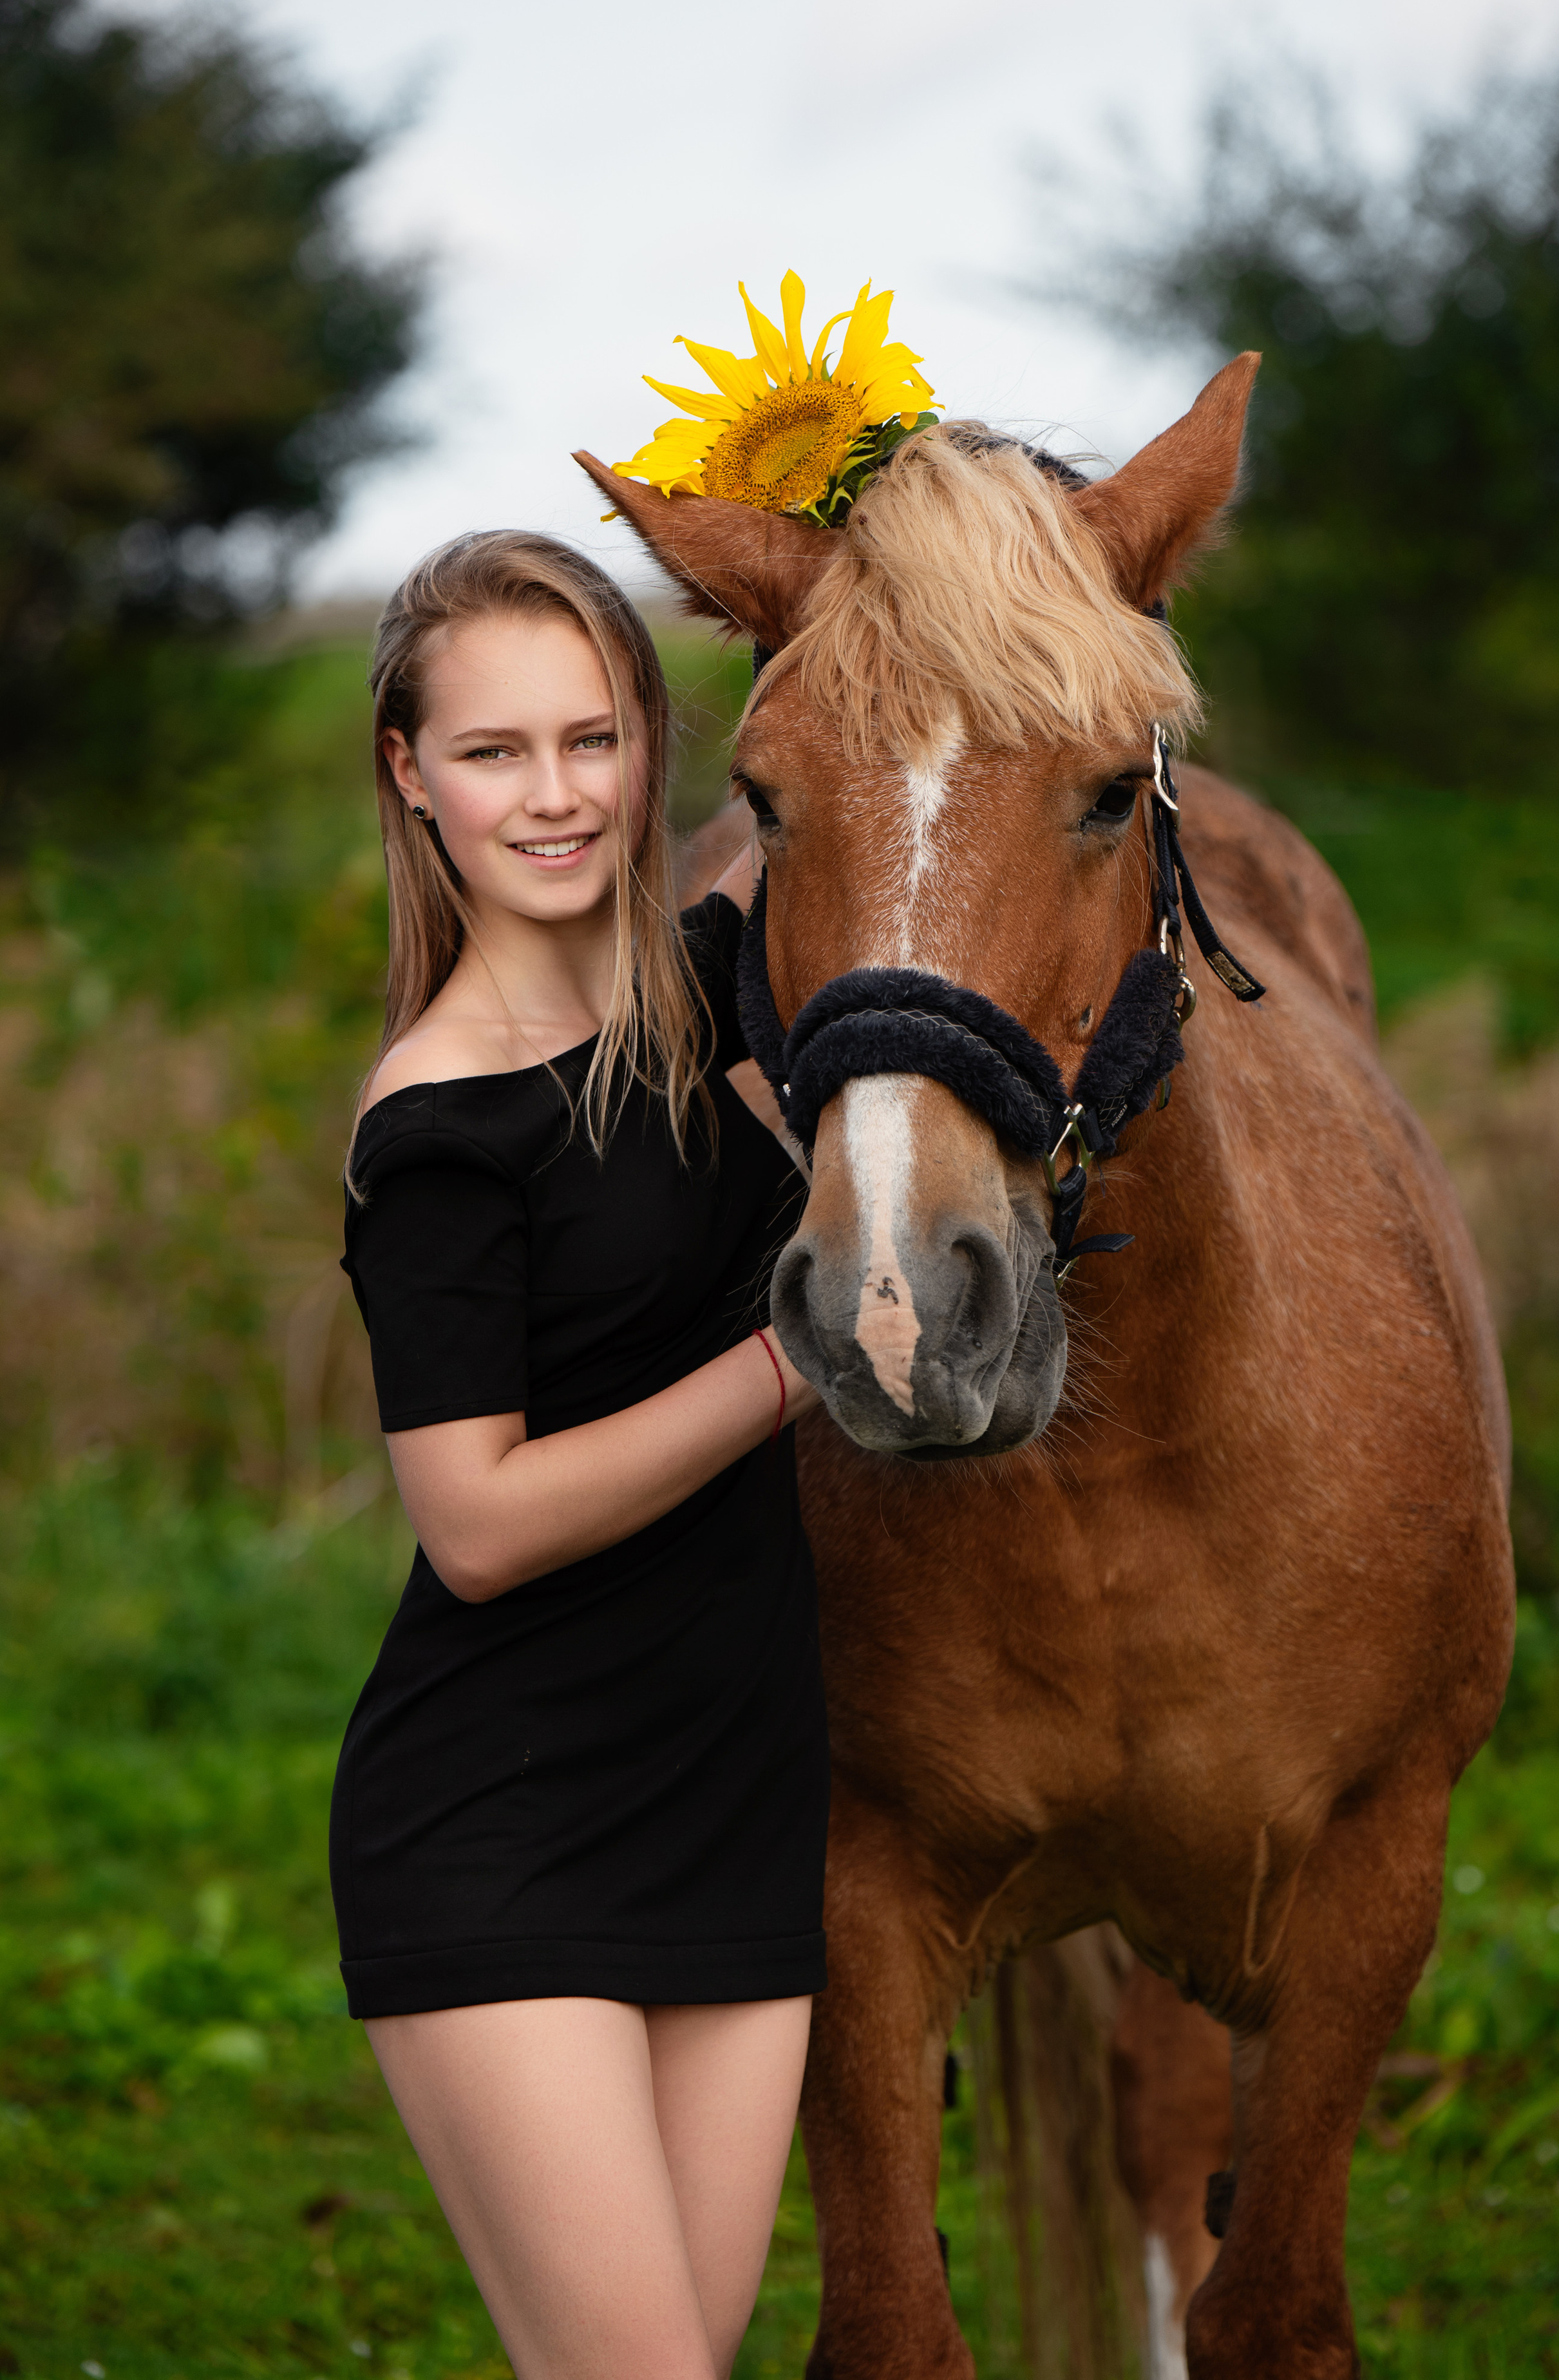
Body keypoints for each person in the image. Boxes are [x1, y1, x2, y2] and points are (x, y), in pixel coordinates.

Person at [330, 529, 827, 2380]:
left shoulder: (717, 990)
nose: (555, 796)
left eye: (594, 736)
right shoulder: (439, 1121)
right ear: (410, 771)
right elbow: (473, 1520)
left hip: (734, 1787)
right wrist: (794, 1365)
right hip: (503, 1822)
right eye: (494, 751)